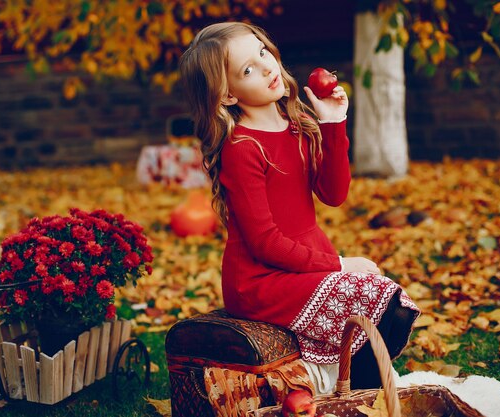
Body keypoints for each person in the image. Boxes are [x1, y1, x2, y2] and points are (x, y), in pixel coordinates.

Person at [179, 21, 420, 390]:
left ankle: (361, 394)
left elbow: (333, 193)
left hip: (304, 261)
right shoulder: (242, 147)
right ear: (228, 95)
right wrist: (339, 264)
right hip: (261, 280)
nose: (266, 67)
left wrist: (333, 122)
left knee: (387, 302)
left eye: (262, 52)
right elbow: (264, 242)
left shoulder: (297, 123)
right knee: (387, 305)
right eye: (247, 69)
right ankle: (365, 397)